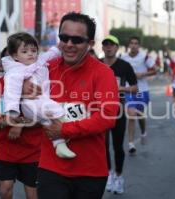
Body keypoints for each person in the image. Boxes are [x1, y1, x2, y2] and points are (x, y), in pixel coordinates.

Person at [25, 12, 119, 199]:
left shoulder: (103, 73)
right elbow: (14, 81)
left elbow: (107, 117)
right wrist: (23, 87)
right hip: (51, 168)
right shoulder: (46, 68)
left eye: (77, 40)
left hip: (90, 172)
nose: (68, 44)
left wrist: (65, 130)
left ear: (90, 44)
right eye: (64, 37)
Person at [2, 32, 75, 158]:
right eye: (24, 52)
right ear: (15, 56)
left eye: (33, 50)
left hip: (41, 101)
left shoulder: (39, 60)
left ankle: (60, 146)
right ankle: (70, 125)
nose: (30, 54)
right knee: (56, 109)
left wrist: (60, 45)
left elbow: (51, 53)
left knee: (49, 124)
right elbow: (11, 91)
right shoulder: (15, 71)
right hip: (31, 103)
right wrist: (12, 110)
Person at [0, 77, 42, 199]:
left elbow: (46, 117)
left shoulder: (35, 83)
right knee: (5, 191)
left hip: (33, 150)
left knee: (33, 195)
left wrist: (21, 124)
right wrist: (9, 122)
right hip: (5, 149)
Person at [101, 35, 138, 194]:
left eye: (112, 45)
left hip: (118, 109)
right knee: (103, 145)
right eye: (106, 45)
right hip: (99, 109)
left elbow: (135, 87)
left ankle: (119, 176)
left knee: (117, 146)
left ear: (117, 48)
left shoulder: (124, 66)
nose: (109, 47)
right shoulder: (96, 64)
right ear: (102, 48)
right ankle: (108, 174)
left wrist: (120, 89)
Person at [121, 36, 157, 155]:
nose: (134, 45)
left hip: (141, 90)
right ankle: (131, 143)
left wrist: (143, 74)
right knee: (131, 115)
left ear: (139, 46)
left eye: (136, 43)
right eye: (132, 43)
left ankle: (143, 132)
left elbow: (155, 70)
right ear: (129, 45)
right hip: (129, 89)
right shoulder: (123, 57)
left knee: (140, 114)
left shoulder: (144, 56)